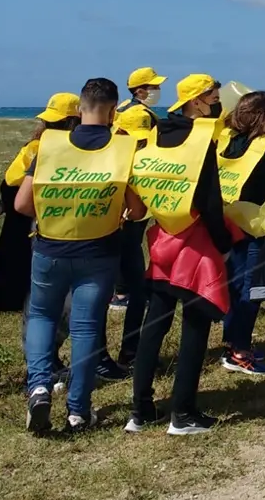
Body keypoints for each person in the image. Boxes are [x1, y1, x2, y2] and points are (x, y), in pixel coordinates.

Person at [17, 78, 146, 433]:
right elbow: (136, 210)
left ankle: (40, 386)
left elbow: (21, 203)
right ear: (114, 110)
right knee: (87, 327)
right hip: (99, 251)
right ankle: (78, 409)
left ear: (79, 109)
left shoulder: (50, 144)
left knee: (43, 316)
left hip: (49, 247)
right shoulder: (124, 147)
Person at [128, 74, 233, 435]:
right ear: (196, 102)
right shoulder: (201, 138)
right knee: (195, 327)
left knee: (153, 326)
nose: (218, 104)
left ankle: (139, 411)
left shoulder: (155, 132)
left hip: (161, 238)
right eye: (213, 98)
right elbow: (209, 200)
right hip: (195, 244)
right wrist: (223, 243)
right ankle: (183, 414)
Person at [217, 90, 265, 375]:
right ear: (263, 117)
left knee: (233, 284)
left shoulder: (224, 141)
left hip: (226, 220)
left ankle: (231, 342)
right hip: (254, 225)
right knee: (251, 287)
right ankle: (240, 350)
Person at [0, 93, 81, 312]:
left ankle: (7, 302)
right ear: (73, 122)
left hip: (16, 199)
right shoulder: (49, 146)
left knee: (11, 255)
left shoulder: (35, 143)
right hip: (29, 202)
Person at [97, 105, 156, 375]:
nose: (140, 142)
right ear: (119, 131)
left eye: (144, 137)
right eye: (135, 137)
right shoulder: (107, 155)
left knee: (140, 291)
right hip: (107, 236)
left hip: (133, 234)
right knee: (98, 295)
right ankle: (100, 358)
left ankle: (130, 351)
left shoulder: (147, 155)